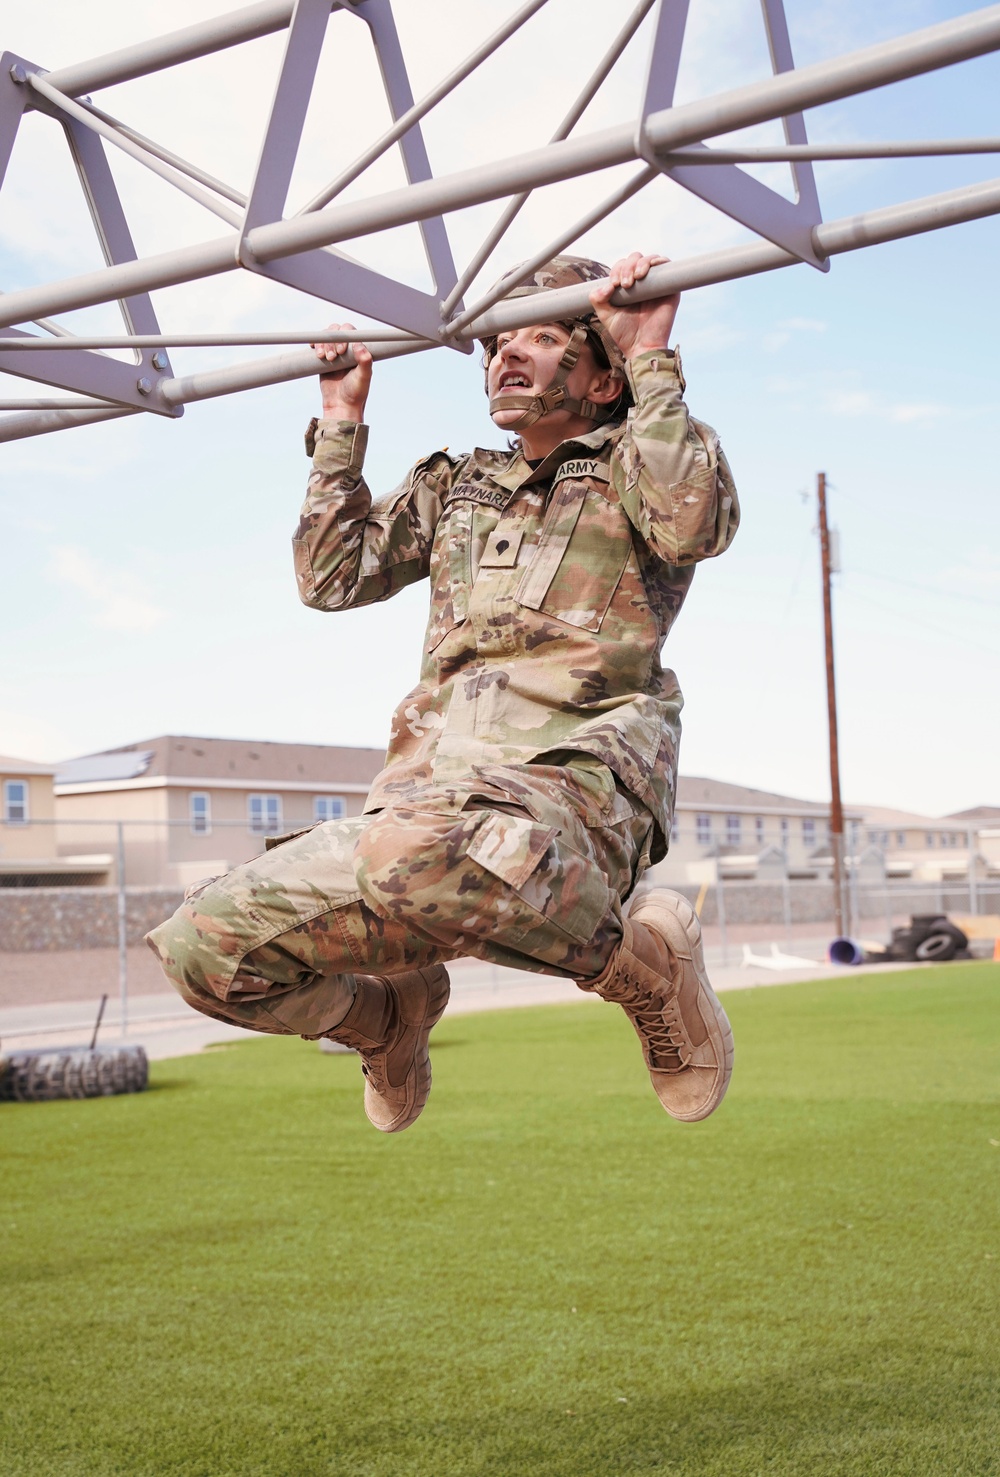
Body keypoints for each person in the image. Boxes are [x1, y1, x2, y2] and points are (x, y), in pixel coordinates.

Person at [147, 251, 740, 1132]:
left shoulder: (639, 458)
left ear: (603, 377)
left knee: (412, 854)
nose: (509, 354)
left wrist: (650, 352)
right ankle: (384, 1017)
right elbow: (331, 576)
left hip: (574, 792)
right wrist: (342, 418)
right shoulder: (455, 484)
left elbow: (693, 524)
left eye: (544, 337)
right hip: (426, 809)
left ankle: (647, 971)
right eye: (499, 340)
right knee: (204, 950)